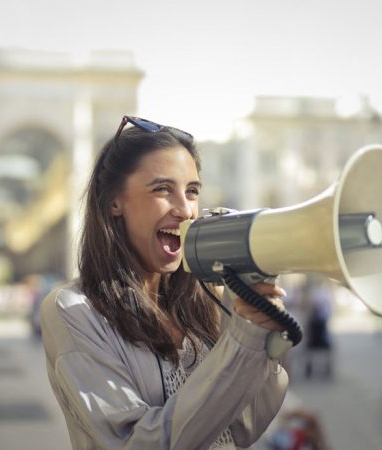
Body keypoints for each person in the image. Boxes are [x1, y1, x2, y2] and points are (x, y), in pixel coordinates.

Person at [39, 116, 290, 449]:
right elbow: (139, 443)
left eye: (192, 192)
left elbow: (242, 427)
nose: (185, 210)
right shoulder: (73, 311)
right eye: (162, 189)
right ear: (115, 201)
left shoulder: (206, 299)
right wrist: (241, 344)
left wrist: (261, 338)